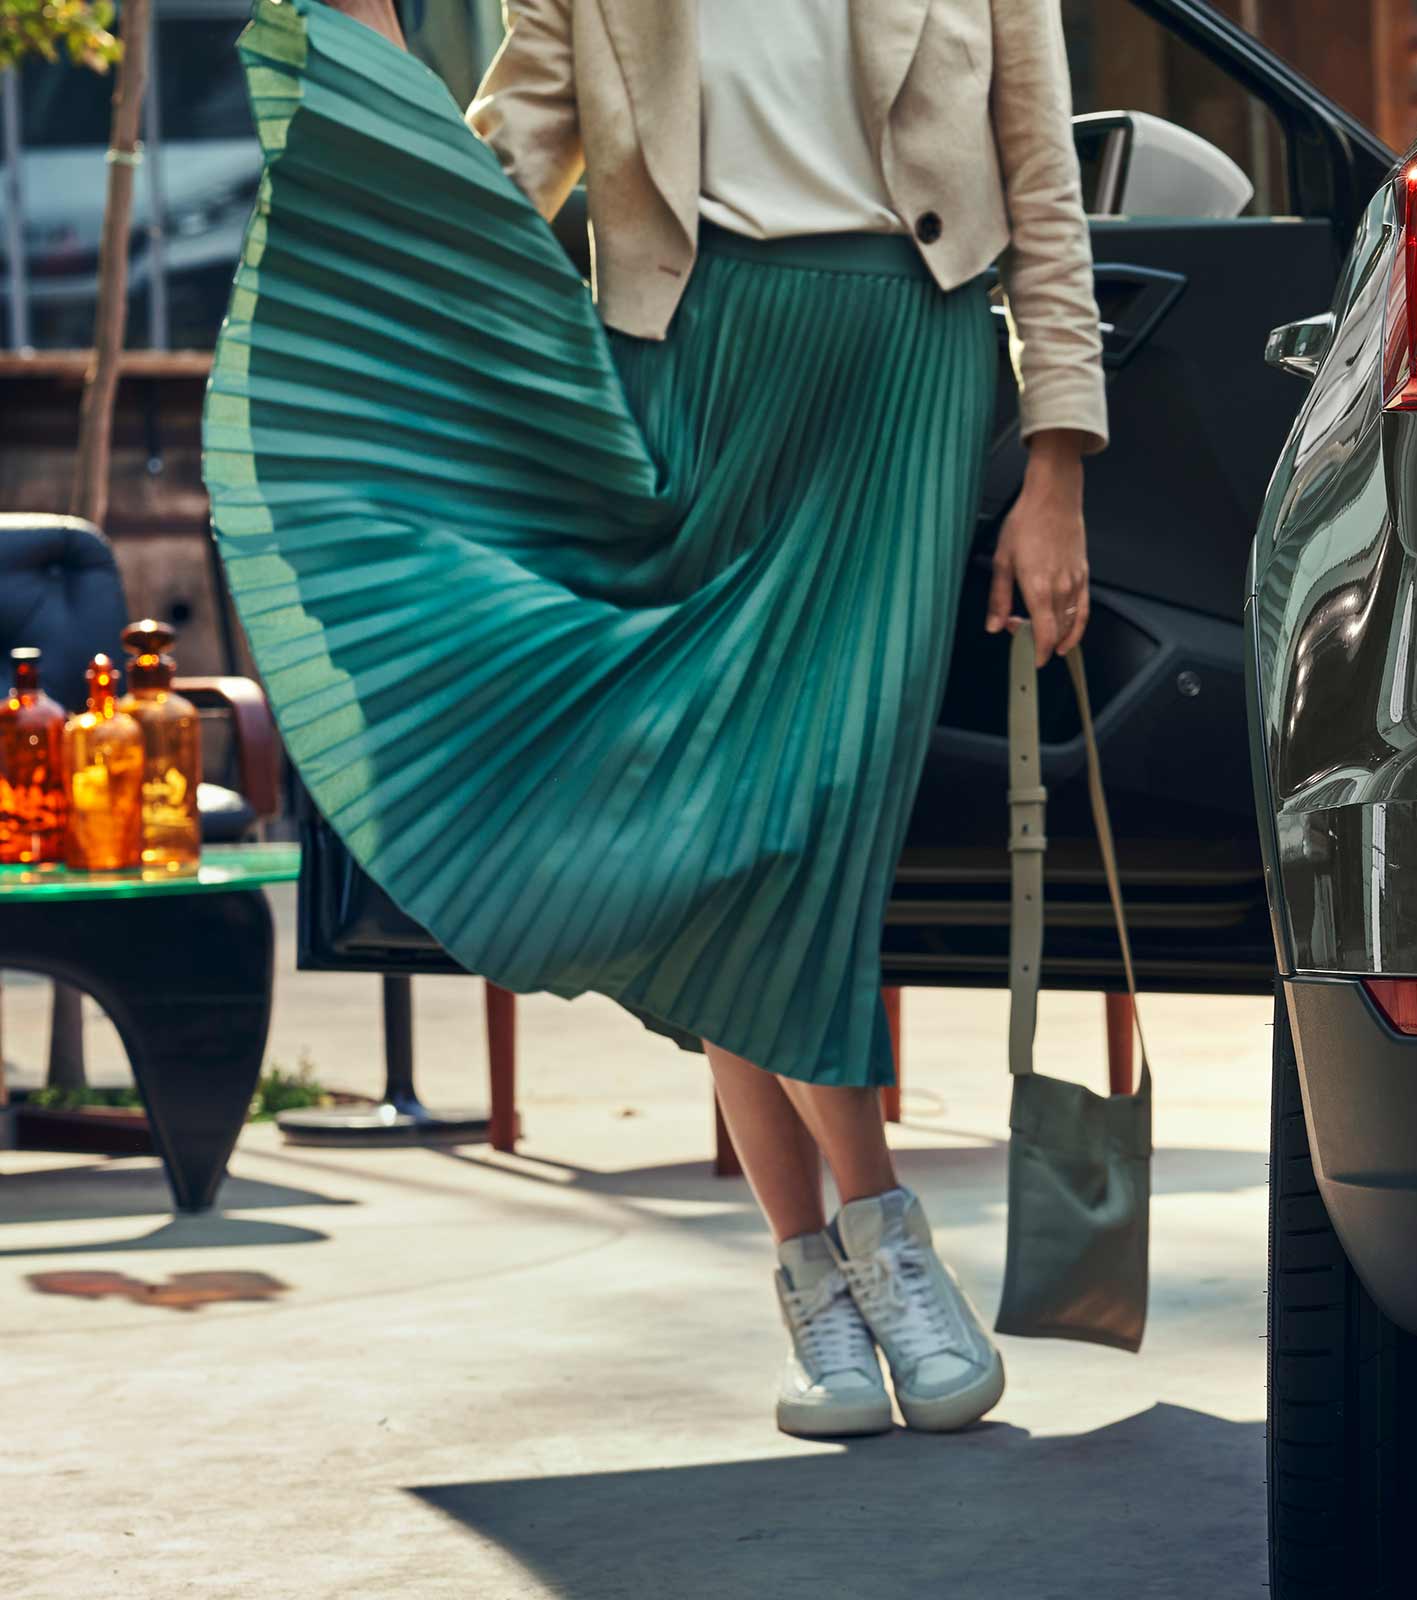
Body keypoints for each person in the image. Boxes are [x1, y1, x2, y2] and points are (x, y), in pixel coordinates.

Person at [203, 0, 1107, 1438]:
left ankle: (851, 1254)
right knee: (714, 815)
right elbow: (510, 164)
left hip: (903, 379)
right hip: (684, 381)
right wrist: (369, 132)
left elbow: (1042, 193)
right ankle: (841, 1260)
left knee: (810, 818)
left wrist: (1055, 469)